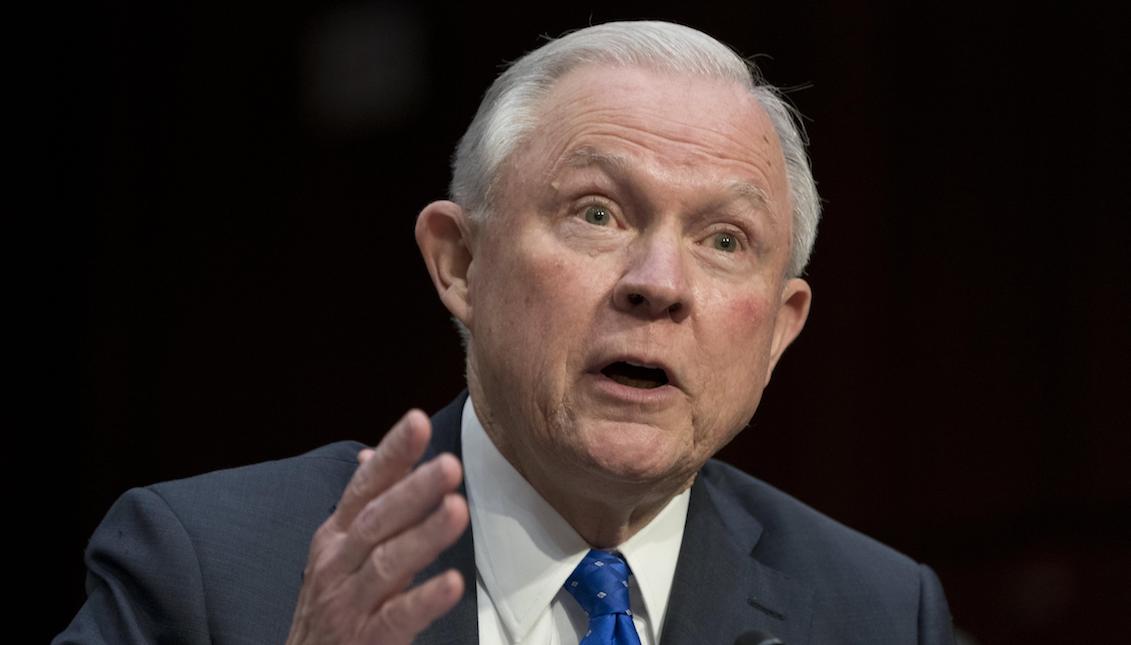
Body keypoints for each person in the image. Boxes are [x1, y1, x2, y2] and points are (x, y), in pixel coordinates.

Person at [57, 21, 956, 645]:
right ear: (459, 264)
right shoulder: (207, 565)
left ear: (781, 327)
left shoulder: (877, 610)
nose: (658, 285)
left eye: (724, 240)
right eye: (597, 213)